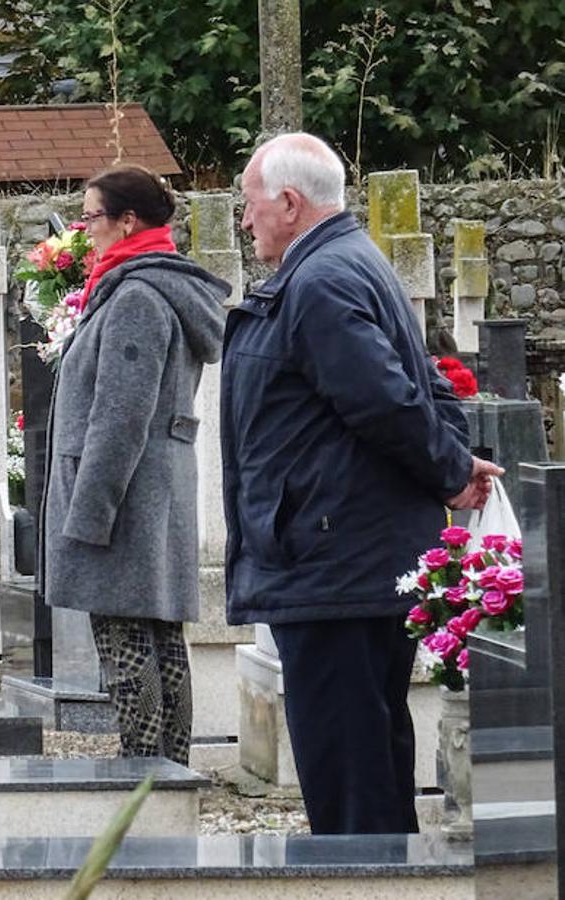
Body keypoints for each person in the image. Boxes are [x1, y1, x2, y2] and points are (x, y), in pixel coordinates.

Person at [222, 133, 501, 834]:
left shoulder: (318, 281)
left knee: (347, 772)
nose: (244, 219)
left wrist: (446, 470)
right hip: (345, 549)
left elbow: (383, 399)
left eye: (250, 204)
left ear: (288, 202)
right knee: (367, 756)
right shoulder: (349, 263)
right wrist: (449, 464)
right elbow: (420, 383)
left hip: (331, 558)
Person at [40, 165, 228, 764]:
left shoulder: (137, 298)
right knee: (158, 635)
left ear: (128, 222)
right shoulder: (152, 287)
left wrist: (90, 514)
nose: (84, 228)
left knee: (126, 644)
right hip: (149, 491)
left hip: (123, 498)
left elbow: (119, 416)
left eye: (92, 215)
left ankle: (146, 771)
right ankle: (166, 771)